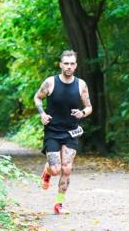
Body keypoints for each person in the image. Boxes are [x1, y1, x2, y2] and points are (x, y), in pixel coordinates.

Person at [34, 50, 92, 215]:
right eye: (66, 63)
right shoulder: (50, 83)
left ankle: (58, 204)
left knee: (66, 168)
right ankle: (47, 172)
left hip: (72, 131)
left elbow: (89, 107)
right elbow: (37, 97)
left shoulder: (81, 85)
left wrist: (83, 113)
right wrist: (42, 114)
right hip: (52, 131)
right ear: (60, 65)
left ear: (76, 65)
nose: (69, 66)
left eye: (72, 63)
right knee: (56, 169)